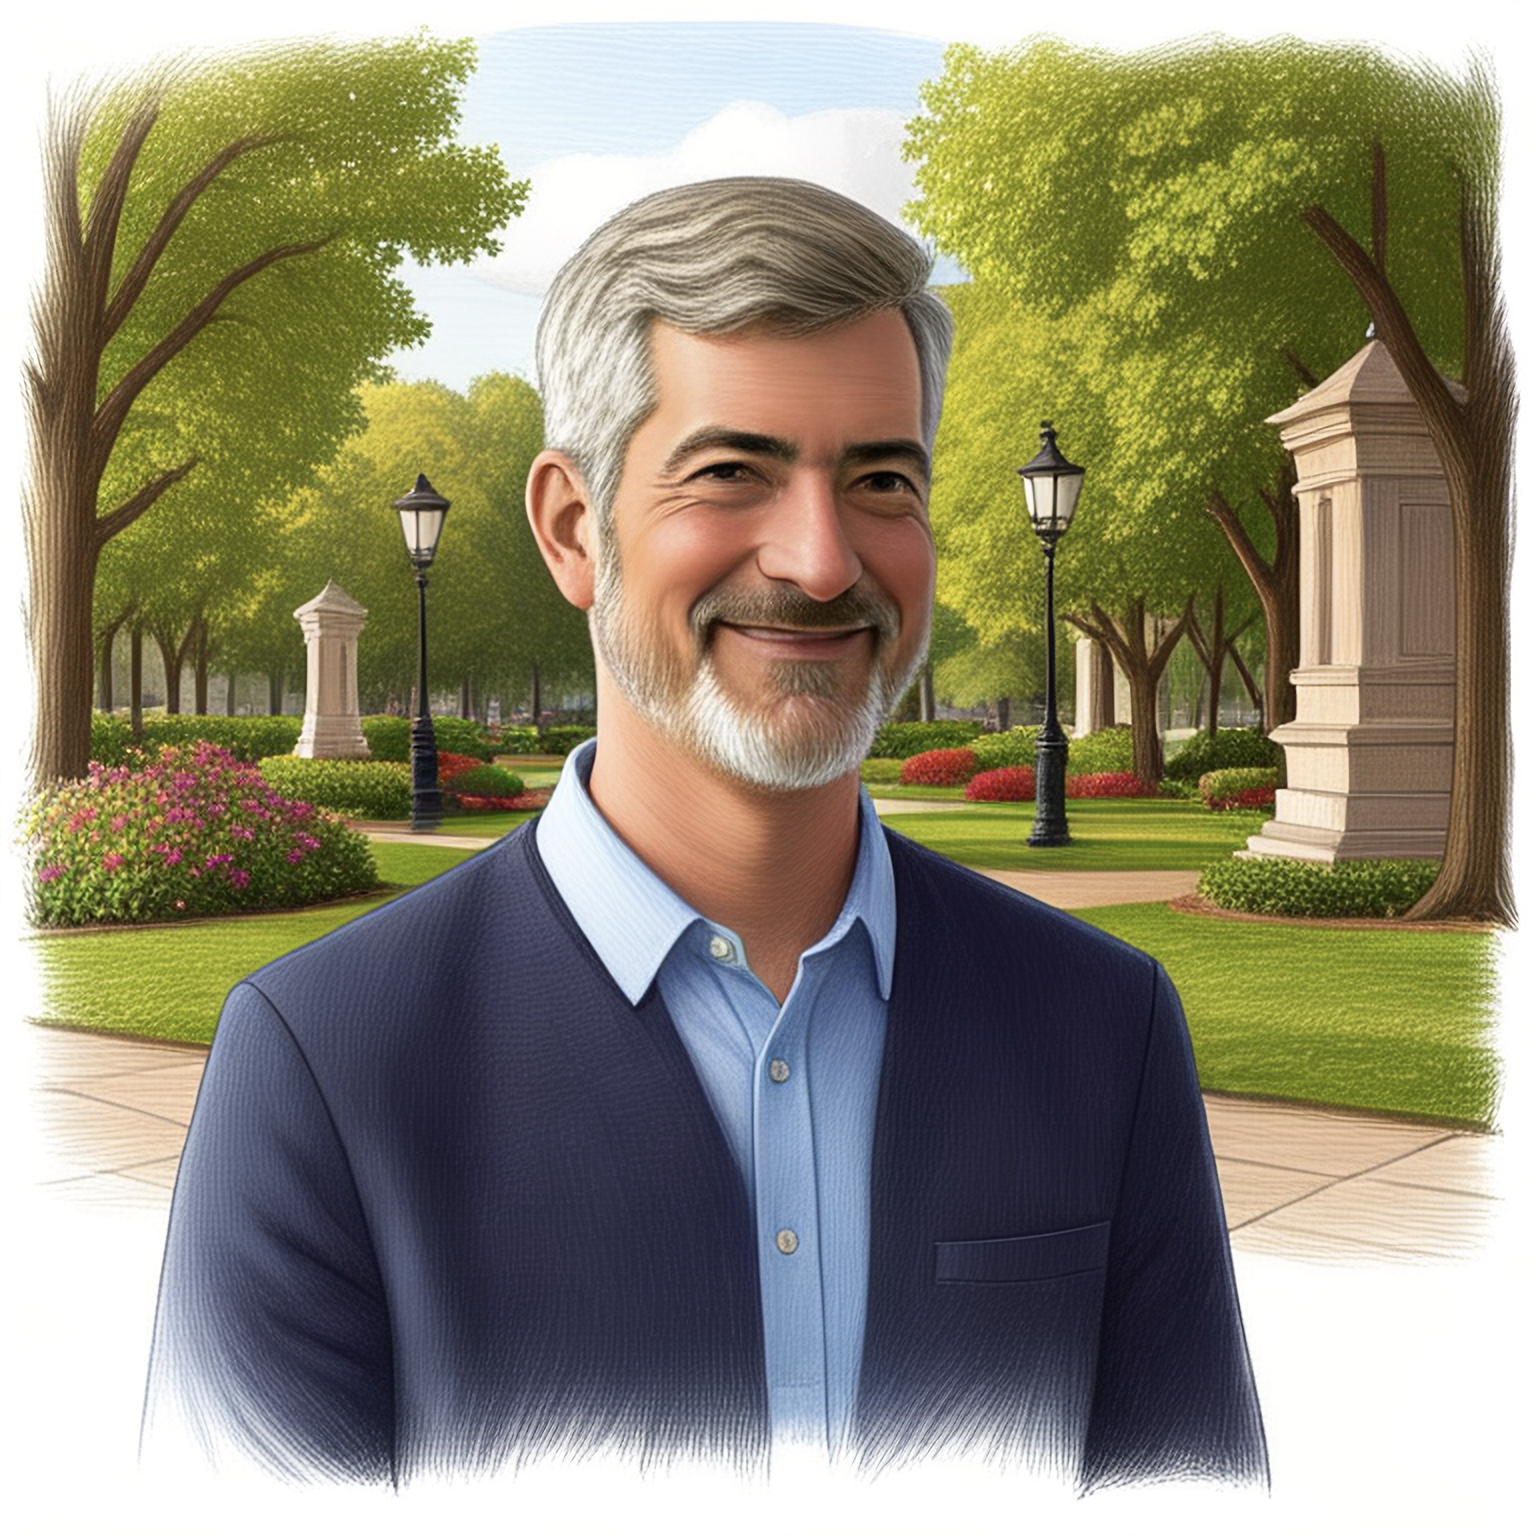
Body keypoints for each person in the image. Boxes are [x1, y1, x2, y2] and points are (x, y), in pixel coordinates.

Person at [144, 177, 1266, 1489]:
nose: (821, 559)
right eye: (732, 471)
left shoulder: (1101, 1025)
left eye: (882, 479)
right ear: (574, 528)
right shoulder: (326, 1060)